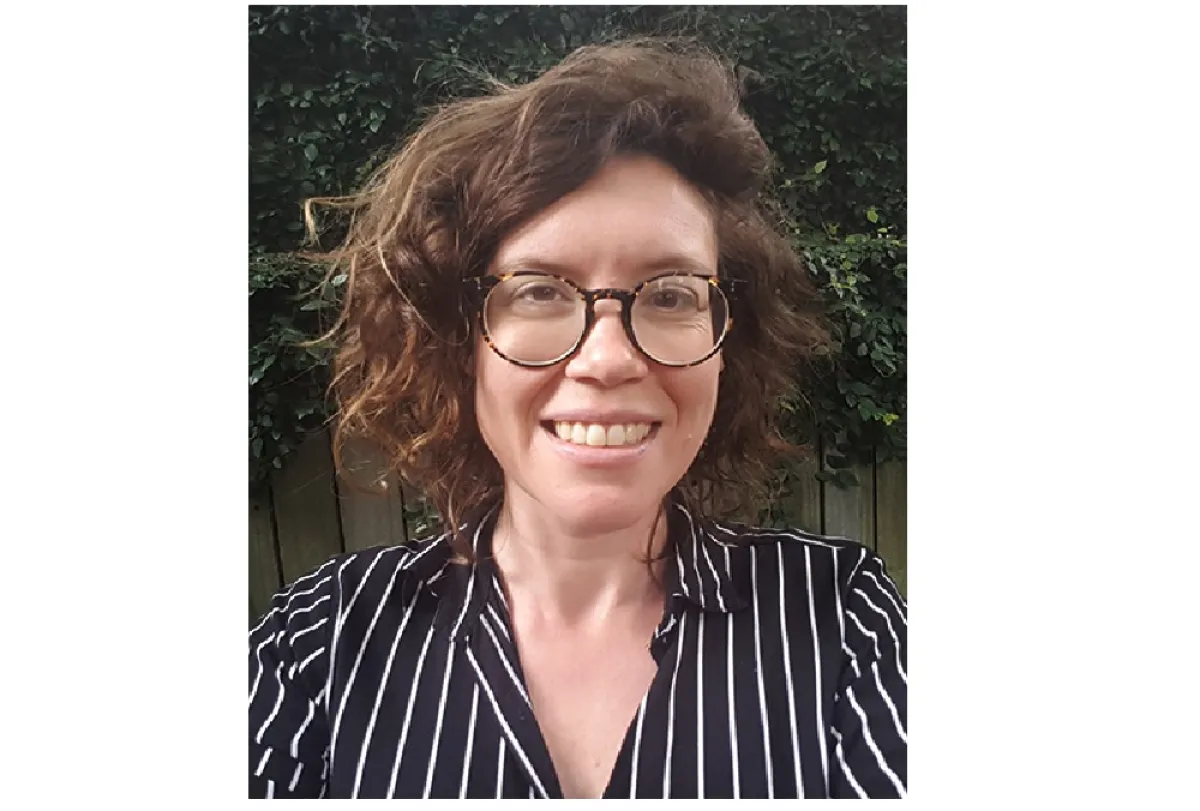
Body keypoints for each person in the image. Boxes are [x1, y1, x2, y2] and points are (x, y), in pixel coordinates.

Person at [248, 39, 906, 799]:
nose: (607, 359)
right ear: (457, 341)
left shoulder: (842, 619)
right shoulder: (319, 642)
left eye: (669, 294)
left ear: (729, 342)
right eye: (537, 290)